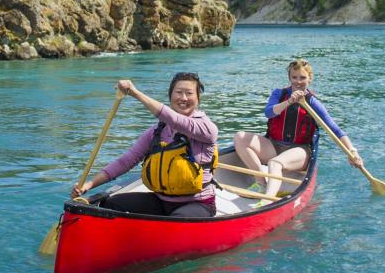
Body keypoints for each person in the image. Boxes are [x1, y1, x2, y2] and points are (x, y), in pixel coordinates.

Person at [71, 73, 219, 217]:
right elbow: (126, 161)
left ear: (198, 98)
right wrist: (89, 185)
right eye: (179, 92)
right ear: (170, 96)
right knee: (110, 205)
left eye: (189, 93)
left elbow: (175, 120)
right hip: (161, 201)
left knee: (175, 222)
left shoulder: (206, 128)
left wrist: (135, 93)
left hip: (197, 203)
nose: (183, 98)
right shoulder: (156, 132)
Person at [234, 59, 364, 199]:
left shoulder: (313, 102)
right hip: (274, 145)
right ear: (289, 78)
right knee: (240, 137)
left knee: (275, 163)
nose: (297, 81)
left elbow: (335, 130)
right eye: (294, 77)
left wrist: (352, 151)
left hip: (300, 152)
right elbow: (269, 112)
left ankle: (268, 199)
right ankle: (261, 183)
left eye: (302, 78)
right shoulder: (279, 94)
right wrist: (289, 102)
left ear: (310, 79)